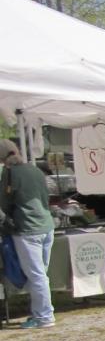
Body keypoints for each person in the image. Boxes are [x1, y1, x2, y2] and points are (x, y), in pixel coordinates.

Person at [0, 139, 56, 329]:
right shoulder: (35, 169)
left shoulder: (9, 174)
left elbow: (4, 204)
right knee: (41, 275)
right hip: (46, 225)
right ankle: (40, 313)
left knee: (37, 276)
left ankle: (44, 317)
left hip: (27, 229)